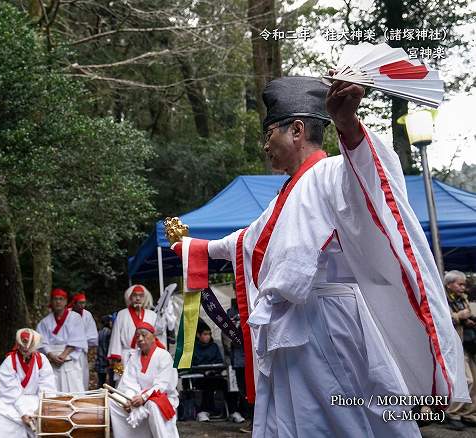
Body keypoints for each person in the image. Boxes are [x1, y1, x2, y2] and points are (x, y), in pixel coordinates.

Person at [172, 76, 468, 437]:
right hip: (294, 331)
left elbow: (371, 180)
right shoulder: (283, 198)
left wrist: (348, 125)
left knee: (344, 421)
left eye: (269, 135)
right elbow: (245, 241)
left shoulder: (333, 172)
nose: (265, 147)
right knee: (296, 422)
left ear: (296, 130)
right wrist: (195, 248)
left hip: (331, 325)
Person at [0, 328, 56, 438]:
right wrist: (23, 413)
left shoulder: (42, 360)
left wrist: (40, 409)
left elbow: (47, 388)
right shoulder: (10, 361)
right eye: (23, 344)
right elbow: (10, 391)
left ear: (35, 345)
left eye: (29, 345)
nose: (25, 348)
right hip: (14, 401)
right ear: (18, 343)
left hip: (36, 400)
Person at [109, 322, 179, 438]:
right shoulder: (134, 357)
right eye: (137, 336)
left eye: (144, 335)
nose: (140, 339)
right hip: (138, 396)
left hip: (162, 397)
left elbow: (162, 385)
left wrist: (144, 397)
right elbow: (129, 382)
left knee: (152, 404)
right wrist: (130, 399)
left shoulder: (164, 356)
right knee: (114, 401)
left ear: (153, 336)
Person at [36, 288, 88, 392]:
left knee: (73, 390)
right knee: (53, 391)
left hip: (69, 359)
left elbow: (77, 338)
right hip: (52, 361)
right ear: (51, 302)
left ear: (66, 302)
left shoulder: (75, 318)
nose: (58, 302)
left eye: (61, 299)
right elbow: (41, 342)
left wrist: (63, 355)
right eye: (55, 299)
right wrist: (51, 355)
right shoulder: (44, 322)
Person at [108, 285, 164, 376]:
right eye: (135, 295)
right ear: (130, 297)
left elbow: (157, 336)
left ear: (144, 297)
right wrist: (116, 360)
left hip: (147, 356)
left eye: (141, 296)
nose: (138, 298)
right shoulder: (122, 314)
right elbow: (116, 337)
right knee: (125, 385)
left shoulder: (152, 315)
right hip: (127, 357)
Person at [445, 270, 476, 429]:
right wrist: (459, 316)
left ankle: (469, 413)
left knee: (475, 380)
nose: (463, 287)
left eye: (464, 284)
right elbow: (440, 320)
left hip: (468, 343)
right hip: (455, 344)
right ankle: (452, 413)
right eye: (460, 284)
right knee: (466, 380)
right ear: (449, 284)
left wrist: (469, 320)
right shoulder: (442, 299)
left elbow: (467, 315)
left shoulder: (462, 299)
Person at [191, 320, 230, 422]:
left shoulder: (214, 346)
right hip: (199, 378)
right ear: (198, 335)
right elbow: (193, 365)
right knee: (207, 383)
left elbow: (219, 361)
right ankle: (204, 411)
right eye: (205, 334)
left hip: (214, 375)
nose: (207, 337)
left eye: (209, 334)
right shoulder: (193, 348)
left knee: (227, 385)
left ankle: (233, 410)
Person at [223, 298, 252, 431]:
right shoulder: (231, 312)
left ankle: (255, 419)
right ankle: (251, 419)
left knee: (254, 389)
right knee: (243, 389)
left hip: (253, 356)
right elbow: (226, 336)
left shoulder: (252, 304)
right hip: (239, 358)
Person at [69, 291, 99, 389]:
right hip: (67, 351)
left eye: (84, 302)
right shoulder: (66, 314)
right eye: (80, 303)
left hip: (81, 351)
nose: (82, 305)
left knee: (82, 376)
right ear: (74, 303)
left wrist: (81, 341)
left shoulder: (87, 315)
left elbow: (92, 335)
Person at [96, 314, 114, 388]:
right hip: (106, 360)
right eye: (110, 321)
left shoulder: (100, 332)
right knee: (111, 381)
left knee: (101, 382)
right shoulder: (109, 332)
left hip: (99, 360)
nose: (111, 323)